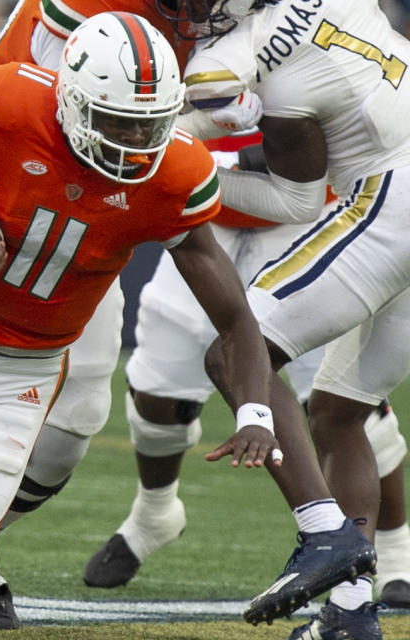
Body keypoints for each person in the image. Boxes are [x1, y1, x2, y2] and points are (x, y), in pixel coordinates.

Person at [0, 12, 372, 624]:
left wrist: (253, 413)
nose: (134, 145)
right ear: (72, 98)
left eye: (149, 127)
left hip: (20, 380)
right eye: (119, 123)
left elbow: (236, 319)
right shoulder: (12, 104)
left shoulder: (174, 174)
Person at [164, 0, 410, 636]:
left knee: (236, 353)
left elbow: (290, 192)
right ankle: (352, 616)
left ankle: (323, 532)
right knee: (338, 410)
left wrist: (197, 146)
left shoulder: (246, 51)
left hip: (391, 199)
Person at [84, 132, 410, 609]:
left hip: (309, 219)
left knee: (346, 400)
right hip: (203, 220)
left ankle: (398, 552)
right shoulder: (172, 57)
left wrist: (225, 155)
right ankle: (154, 514)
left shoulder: (307, 58)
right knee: (157, 396)